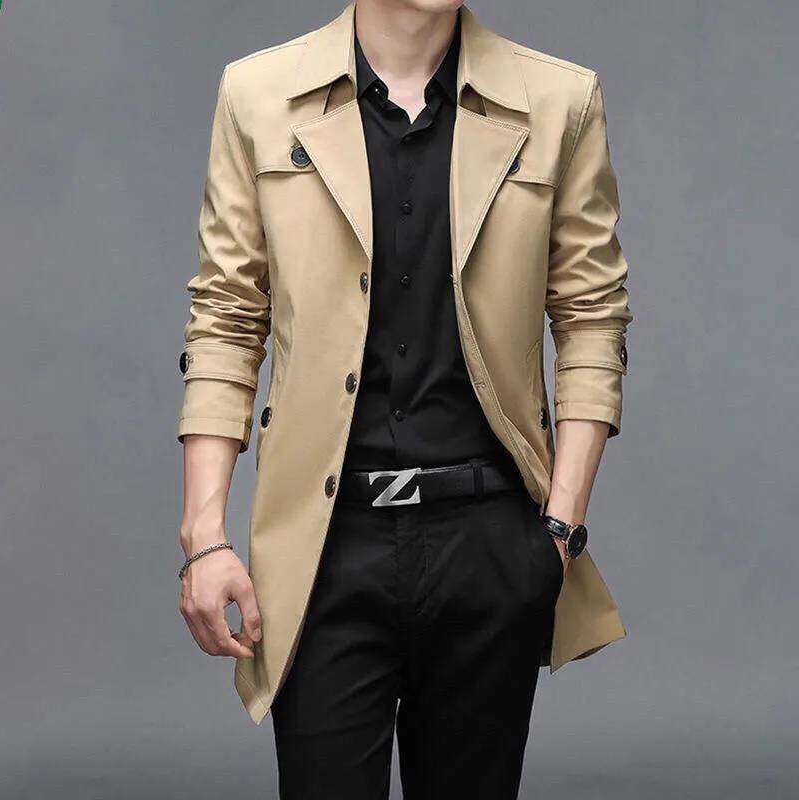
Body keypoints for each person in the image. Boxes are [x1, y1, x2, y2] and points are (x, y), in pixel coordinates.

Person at [176, 1, 632, 797]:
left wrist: (558, 530)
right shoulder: (259, 94)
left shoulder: (559, 100)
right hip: (325, 545)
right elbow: (227, 317)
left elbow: (592, 317)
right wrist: (204, 535)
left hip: (489, 541)